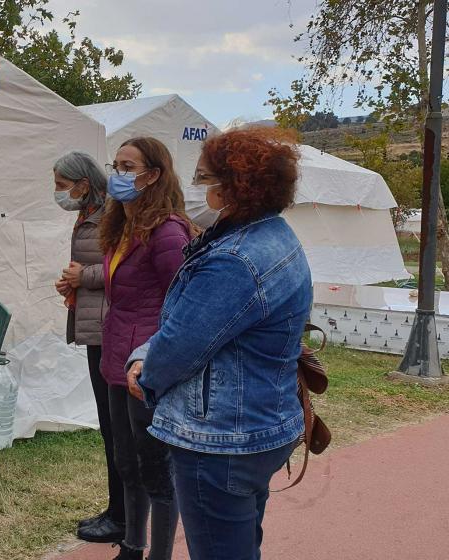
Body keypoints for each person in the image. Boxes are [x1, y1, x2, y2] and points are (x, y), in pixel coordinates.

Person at [127, 128, 312, 560]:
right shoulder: (275, 235)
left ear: (236, 186)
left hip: (221, 438)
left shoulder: (235, 259)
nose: (198, 187)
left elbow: (182, 343)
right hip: (261, 424)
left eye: (205, 177)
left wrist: (145, 373)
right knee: (241, 546)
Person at [99, 137, 194, 560]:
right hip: (116, 354)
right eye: (115, 164)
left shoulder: (168, 231)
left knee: (156, 467)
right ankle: (131, 547)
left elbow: (185, 302)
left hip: (148, 362)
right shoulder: (122, 224)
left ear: (152, 174)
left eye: (127, 166)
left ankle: (158, 554)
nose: (118, 174)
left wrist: (155, 355)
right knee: (127, 462)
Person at [53, 151, 125, 543]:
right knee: (110, 427)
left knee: (117, 429)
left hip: (110, 329)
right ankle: (117, 509)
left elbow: (126, 266)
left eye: (63, 186)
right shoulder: (90, 214)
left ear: (84, 182)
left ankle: (123, 516)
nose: (59, 194)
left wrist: (86, 276)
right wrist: (74, 282)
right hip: (96, 326)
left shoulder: (114, 214)